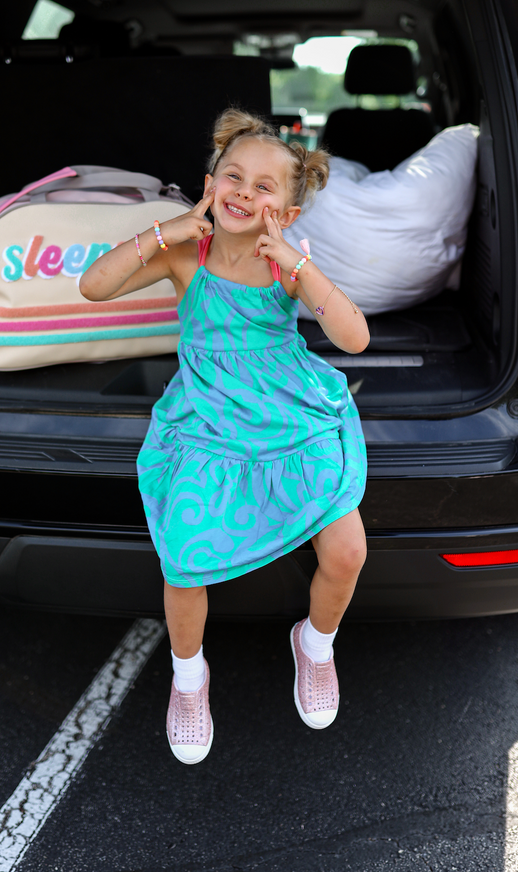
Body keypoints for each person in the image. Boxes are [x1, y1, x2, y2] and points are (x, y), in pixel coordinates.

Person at [79, 109, 370, 764]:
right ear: (209, 182)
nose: (244, 190)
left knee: (348, 549)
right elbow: (92, 286)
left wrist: (299, 265)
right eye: (232, 175)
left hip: (291, 414)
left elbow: (354, 336)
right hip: (208, 419)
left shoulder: (289, 266)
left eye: (265, 187)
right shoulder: (188, 254)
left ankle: (315, 644)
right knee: (182, 557)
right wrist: (165, 230)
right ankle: (189, 677)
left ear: (287, 213)